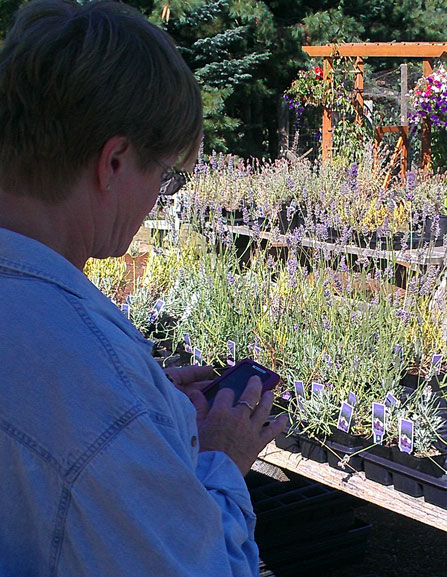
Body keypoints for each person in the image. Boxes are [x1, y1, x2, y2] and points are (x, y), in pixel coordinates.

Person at [0, 1, 287, 576]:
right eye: (163, 175)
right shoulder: (93, 372)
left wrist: (150, 421)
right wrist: (219, 458)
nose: (160, 195)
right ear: (113, 162)